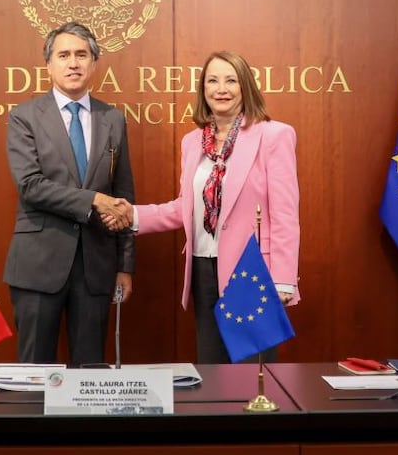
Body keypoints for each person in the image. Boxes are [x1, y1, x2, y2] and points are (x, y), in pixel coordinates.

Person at [108, 50, 300, 364]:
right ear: (203, 89)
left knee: (253, 375)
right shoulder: (193, 141)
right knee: (212, 369)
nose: (220, 88)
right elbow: (186, 206)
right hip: (202, 268)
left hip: (251, 270)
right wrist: (132, 215)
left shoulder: (273, 135)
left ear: (245, 87)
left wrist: (283, 279)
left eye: (230, 80)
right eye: (212, 80)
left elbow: (285, 214)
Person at [3, 22, 135, 367]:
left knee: (90, 375)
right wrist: (92, 200)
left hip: (97, 266)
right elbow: (30, 186)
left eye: (81, 55)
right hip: (38, 265)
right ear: (49, 65)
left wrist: (125, 266)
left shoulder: (113, 119)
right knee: (34, 373)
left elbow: (123, 196)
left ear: (94, 63)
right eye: (63, 55)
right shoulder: (24, 116)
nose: (73, 63)